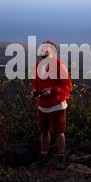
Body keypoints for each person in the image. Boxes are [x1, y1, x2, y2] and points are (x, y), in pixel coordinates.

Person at [32, 40, 72, 170]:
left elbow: (66, 85)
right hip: (42, 104)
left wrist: (52, 90)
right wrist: (34, 90)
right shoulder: (38, 65)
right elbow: (35, 82)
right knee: (44, 131)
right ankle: (44, 155)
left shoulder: (59, 64)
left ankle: (61, 157)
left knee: (59, 132)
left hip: (56, 105)